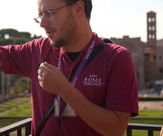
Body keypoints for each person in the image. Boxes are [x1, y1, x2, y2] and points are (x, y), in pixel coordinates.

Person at [0, 0, 139, 135]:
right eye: (41, 15)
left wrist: (65, 90)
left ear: (78, 8)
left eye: (50, 13)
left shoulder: (117, 58)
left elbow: (116, 130)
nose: (42, 23)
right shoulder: (38, 49)